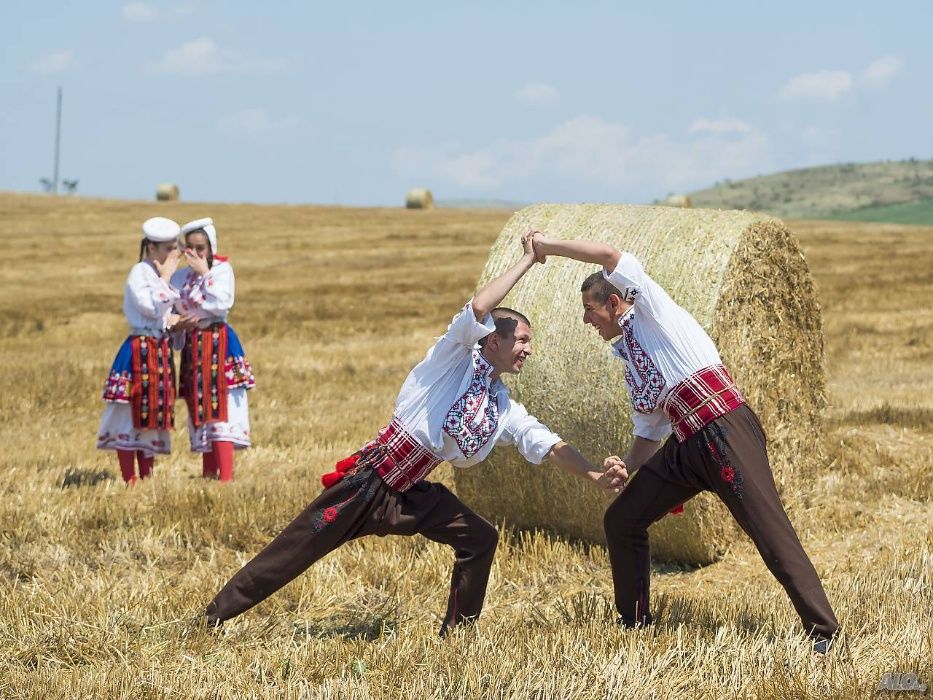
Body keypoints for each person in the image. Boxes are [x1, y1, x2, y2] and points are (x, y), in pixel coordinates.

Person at [204, 232, 627, 634]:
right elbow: (480, 306)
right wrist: (529, 259)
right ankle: (214, 616)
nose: (529, 350)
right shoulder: (452, 356)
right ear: (492, 342)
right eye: (522, 339)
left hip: (411, 493)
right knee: (297, 548)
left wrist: (593, 475)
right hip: (369, 482)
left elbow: (548, 445)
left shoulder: (499, 404)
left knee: (480, 538)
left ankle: (457, 633)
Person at [529, 232, 840, 654]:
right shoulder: (630, 358)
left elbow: (608, 253)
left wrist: (547, 246)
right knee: (622, 519)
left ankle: (824, 632)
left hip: (725, 429)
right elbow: (649, 432)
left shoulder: (652, 310)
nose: (586, 320)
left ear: (615, 303)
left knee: (769, 530)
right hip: (685, 446)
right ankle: (634, 623)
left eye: (589, 310)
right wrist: (626, 464)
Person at [97, 217, 183, 484]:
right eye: (169, 248)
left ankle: (146, 477)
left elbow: (165, 313)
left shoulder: (156, 277)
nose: (173, 255)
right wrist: (167, 279)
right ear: (152, 249)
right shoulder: (140, 273)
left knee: (153, 414)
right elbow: (149, 307)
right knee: (129, 413)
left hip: (159, 349)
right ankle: (129, 478)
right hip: (139, 350)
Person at [171, 217, 255, 482]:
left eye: (200, 248)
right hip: (194, 345)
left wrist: (205, 274)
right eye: (190, 248)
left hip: (219, 344)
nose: (194, 254)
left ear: (210, 248)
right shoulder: (181, 276)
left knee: (222, 407)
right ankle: (208, 473)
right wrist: (177, 321)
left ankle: (226, 477)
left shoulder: (221, 271)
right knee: (200, 407)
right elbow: (172, 307)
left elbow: (221, 304)